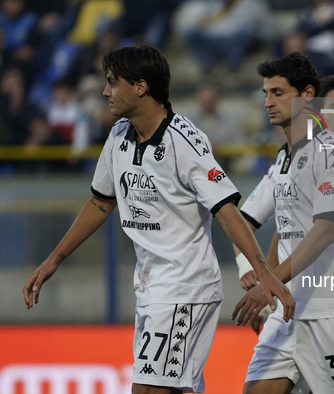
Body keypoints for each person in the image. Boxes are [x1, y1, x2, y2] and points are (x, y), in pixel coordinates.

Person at [22, 44, 295, 394]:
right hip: (151, 286)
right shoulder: (119, 136)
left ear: (140, 87)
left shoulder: (186, 142)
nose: (105, 92)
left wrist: (265, 273)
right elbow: (100, 202)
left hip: (185, 285)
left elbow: (227, 210)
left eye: (112, 82)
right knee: (180, 389)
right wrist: (53, 260)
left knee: (149, 390)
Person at [233, 52, 334, 394]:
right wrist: (246, 267)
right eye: (266, 93)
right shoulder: (283, 159)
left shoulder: (331, 151)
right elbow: (241, 222)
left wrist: (268, 281)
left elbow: (324, 231)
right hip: (287, 311)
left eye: (278, 93)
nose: (268, 102)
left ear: (308, 95)